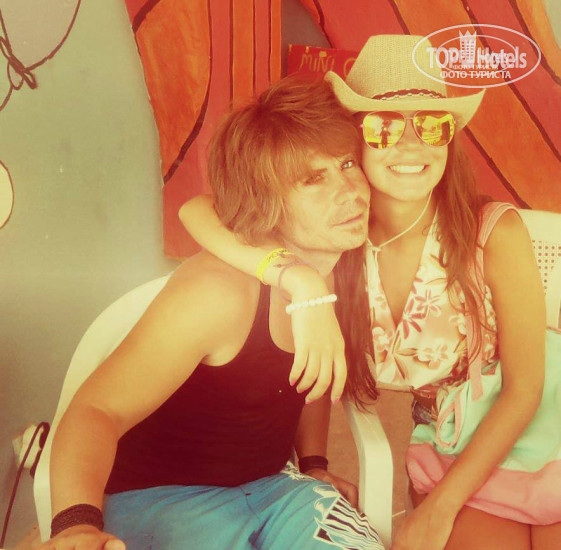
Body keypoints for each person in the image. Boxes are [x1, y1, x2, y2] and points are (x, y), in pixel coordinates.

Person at [179, 35, 561, 550]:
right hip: (453, 443)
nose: (412, 145)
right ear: (352, 141)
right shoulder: (335, 240)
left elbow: (525, 390)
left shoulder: (491, 232)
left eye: (432, 124)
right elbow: (197, 211)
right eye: (384, 127)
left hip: (540, 418)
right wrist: (296, 279)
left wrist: (440, 508)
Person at [39, 76, 384, 550]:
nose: (350, 191)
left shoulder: (333, 270)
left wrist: (315, 464)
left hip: (274, 489)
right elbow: (96, 410)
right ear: (265, 199)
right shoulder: (219, 292)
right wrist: (76, 524)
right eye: (313, 179)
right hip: (161, 498)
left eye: (347, 164)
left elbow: (311, 376)